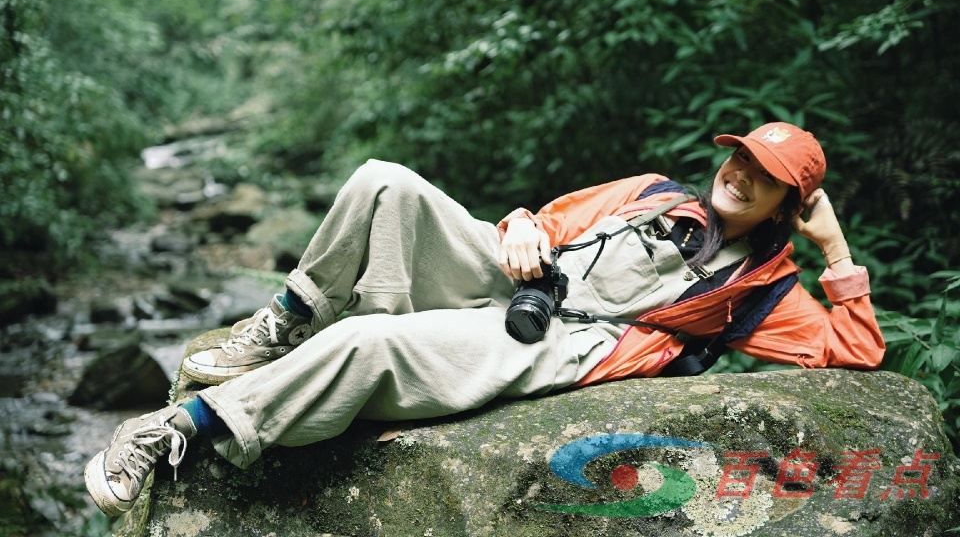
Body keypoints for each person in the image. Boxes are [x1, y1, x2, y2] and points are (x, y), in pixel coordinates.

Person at [84, 122, 884, 517]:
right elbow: (544, 218)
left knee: (372, 344)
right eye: (740, 156)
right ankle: (284, 323)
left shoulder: (763, 289)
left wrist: (836, 247)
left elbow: (855, 356)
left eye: (767, 175)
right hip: (520, 279)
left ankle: (174, 427)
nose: (740, 173)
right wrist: (525, 227)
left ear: (790, 202)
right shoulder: (652, 190)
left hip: (560, 339)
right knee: (384, 180)